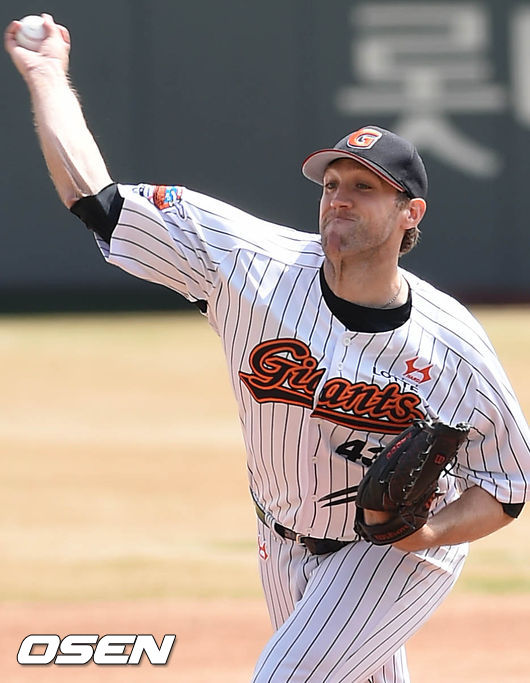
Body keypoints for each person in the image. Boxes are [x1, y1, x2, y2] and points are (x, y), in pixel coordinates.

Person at [6, 15, 530, 682]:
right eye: (331, 185)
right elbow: (98, 202)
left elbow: (509, 484)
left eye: (363, 187)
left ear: (410, 213)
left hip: (393, 555)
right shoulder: (249, 264)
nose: (338, 200)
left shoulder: (453, 346)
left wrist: (425, 533)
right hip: (278, 538)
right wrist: (47, 76)